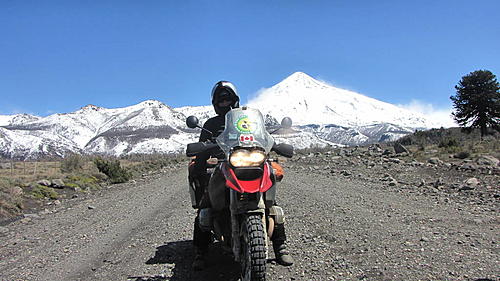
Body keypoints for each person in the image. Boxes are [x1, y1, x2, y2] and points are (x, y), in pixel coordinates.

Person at [189, 81, 294, 270]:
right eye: (220, 98)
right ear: (214, 102)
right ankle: (200, 251)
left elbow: (262, 138)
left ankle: (280, 246)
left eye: (227, 97)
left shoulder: (250, 120)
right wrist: (205, 157)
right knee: (207, 204)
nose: (224, 101)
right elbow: (202, 150)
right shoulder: (210, 124)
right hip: (224, 166)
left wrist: (273, 145)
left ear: (235, 99)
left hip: (250, 162)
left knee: (271, 202)